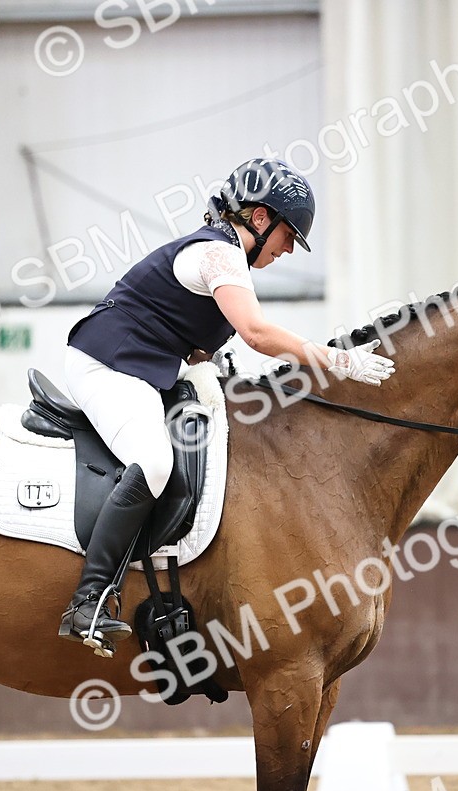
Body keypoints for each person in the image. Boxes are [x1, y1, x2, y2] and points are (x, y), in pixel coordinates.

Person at [59, 158, 395, 652]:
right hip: (106, 363)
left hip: (145, 365)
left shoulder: (225, 257)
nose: (287, 250)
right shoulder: (219, 255)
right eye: (288, 236)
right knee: (153, 462)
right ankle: (88, 601)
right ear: (259, 218)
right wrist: (338, 360)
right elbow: (257, 333)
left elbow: (196, 348)